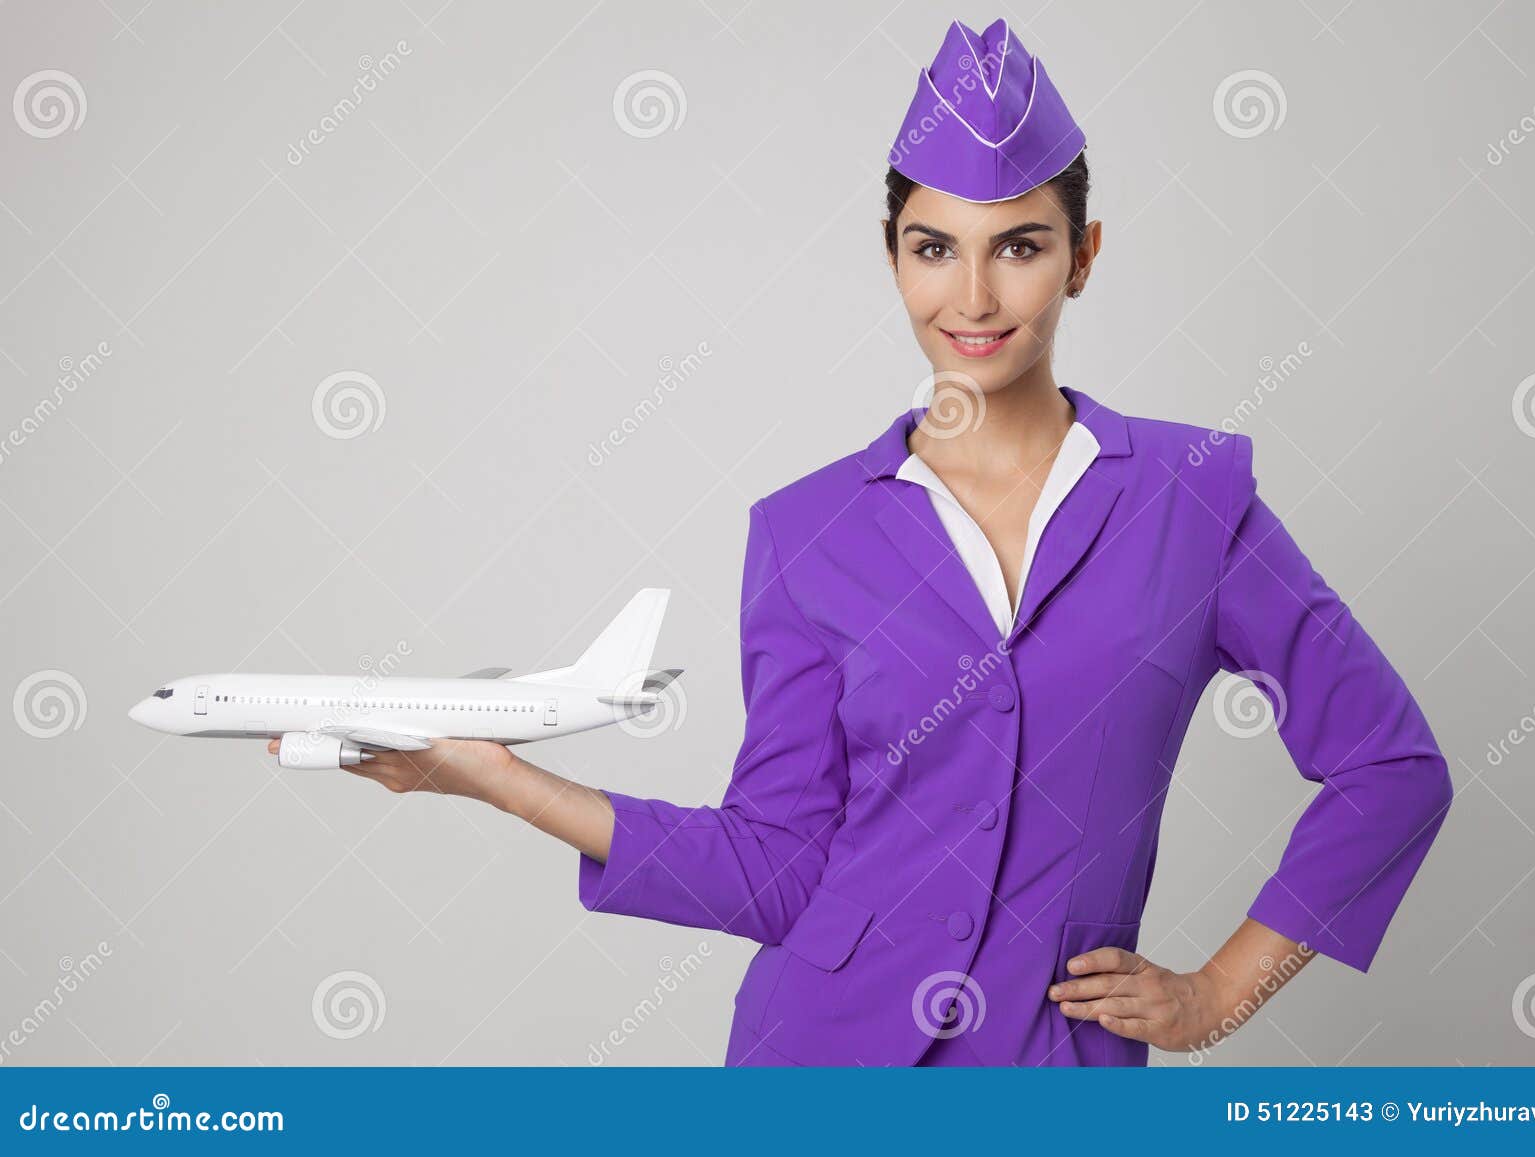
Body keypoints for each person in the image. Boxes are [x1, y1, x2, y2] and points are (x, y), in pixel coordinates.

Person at [271, 17, 1453, 1067]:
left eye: (1022, 246)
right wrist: (498, 779)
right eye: (934, 247)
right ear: (891, 256)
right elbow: (778, 867)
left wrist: (1216, 994)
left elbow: (1390, 768)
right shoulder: (807, 532)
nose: (975, 297)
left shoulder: (1192, 499)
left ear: (1083, 257)